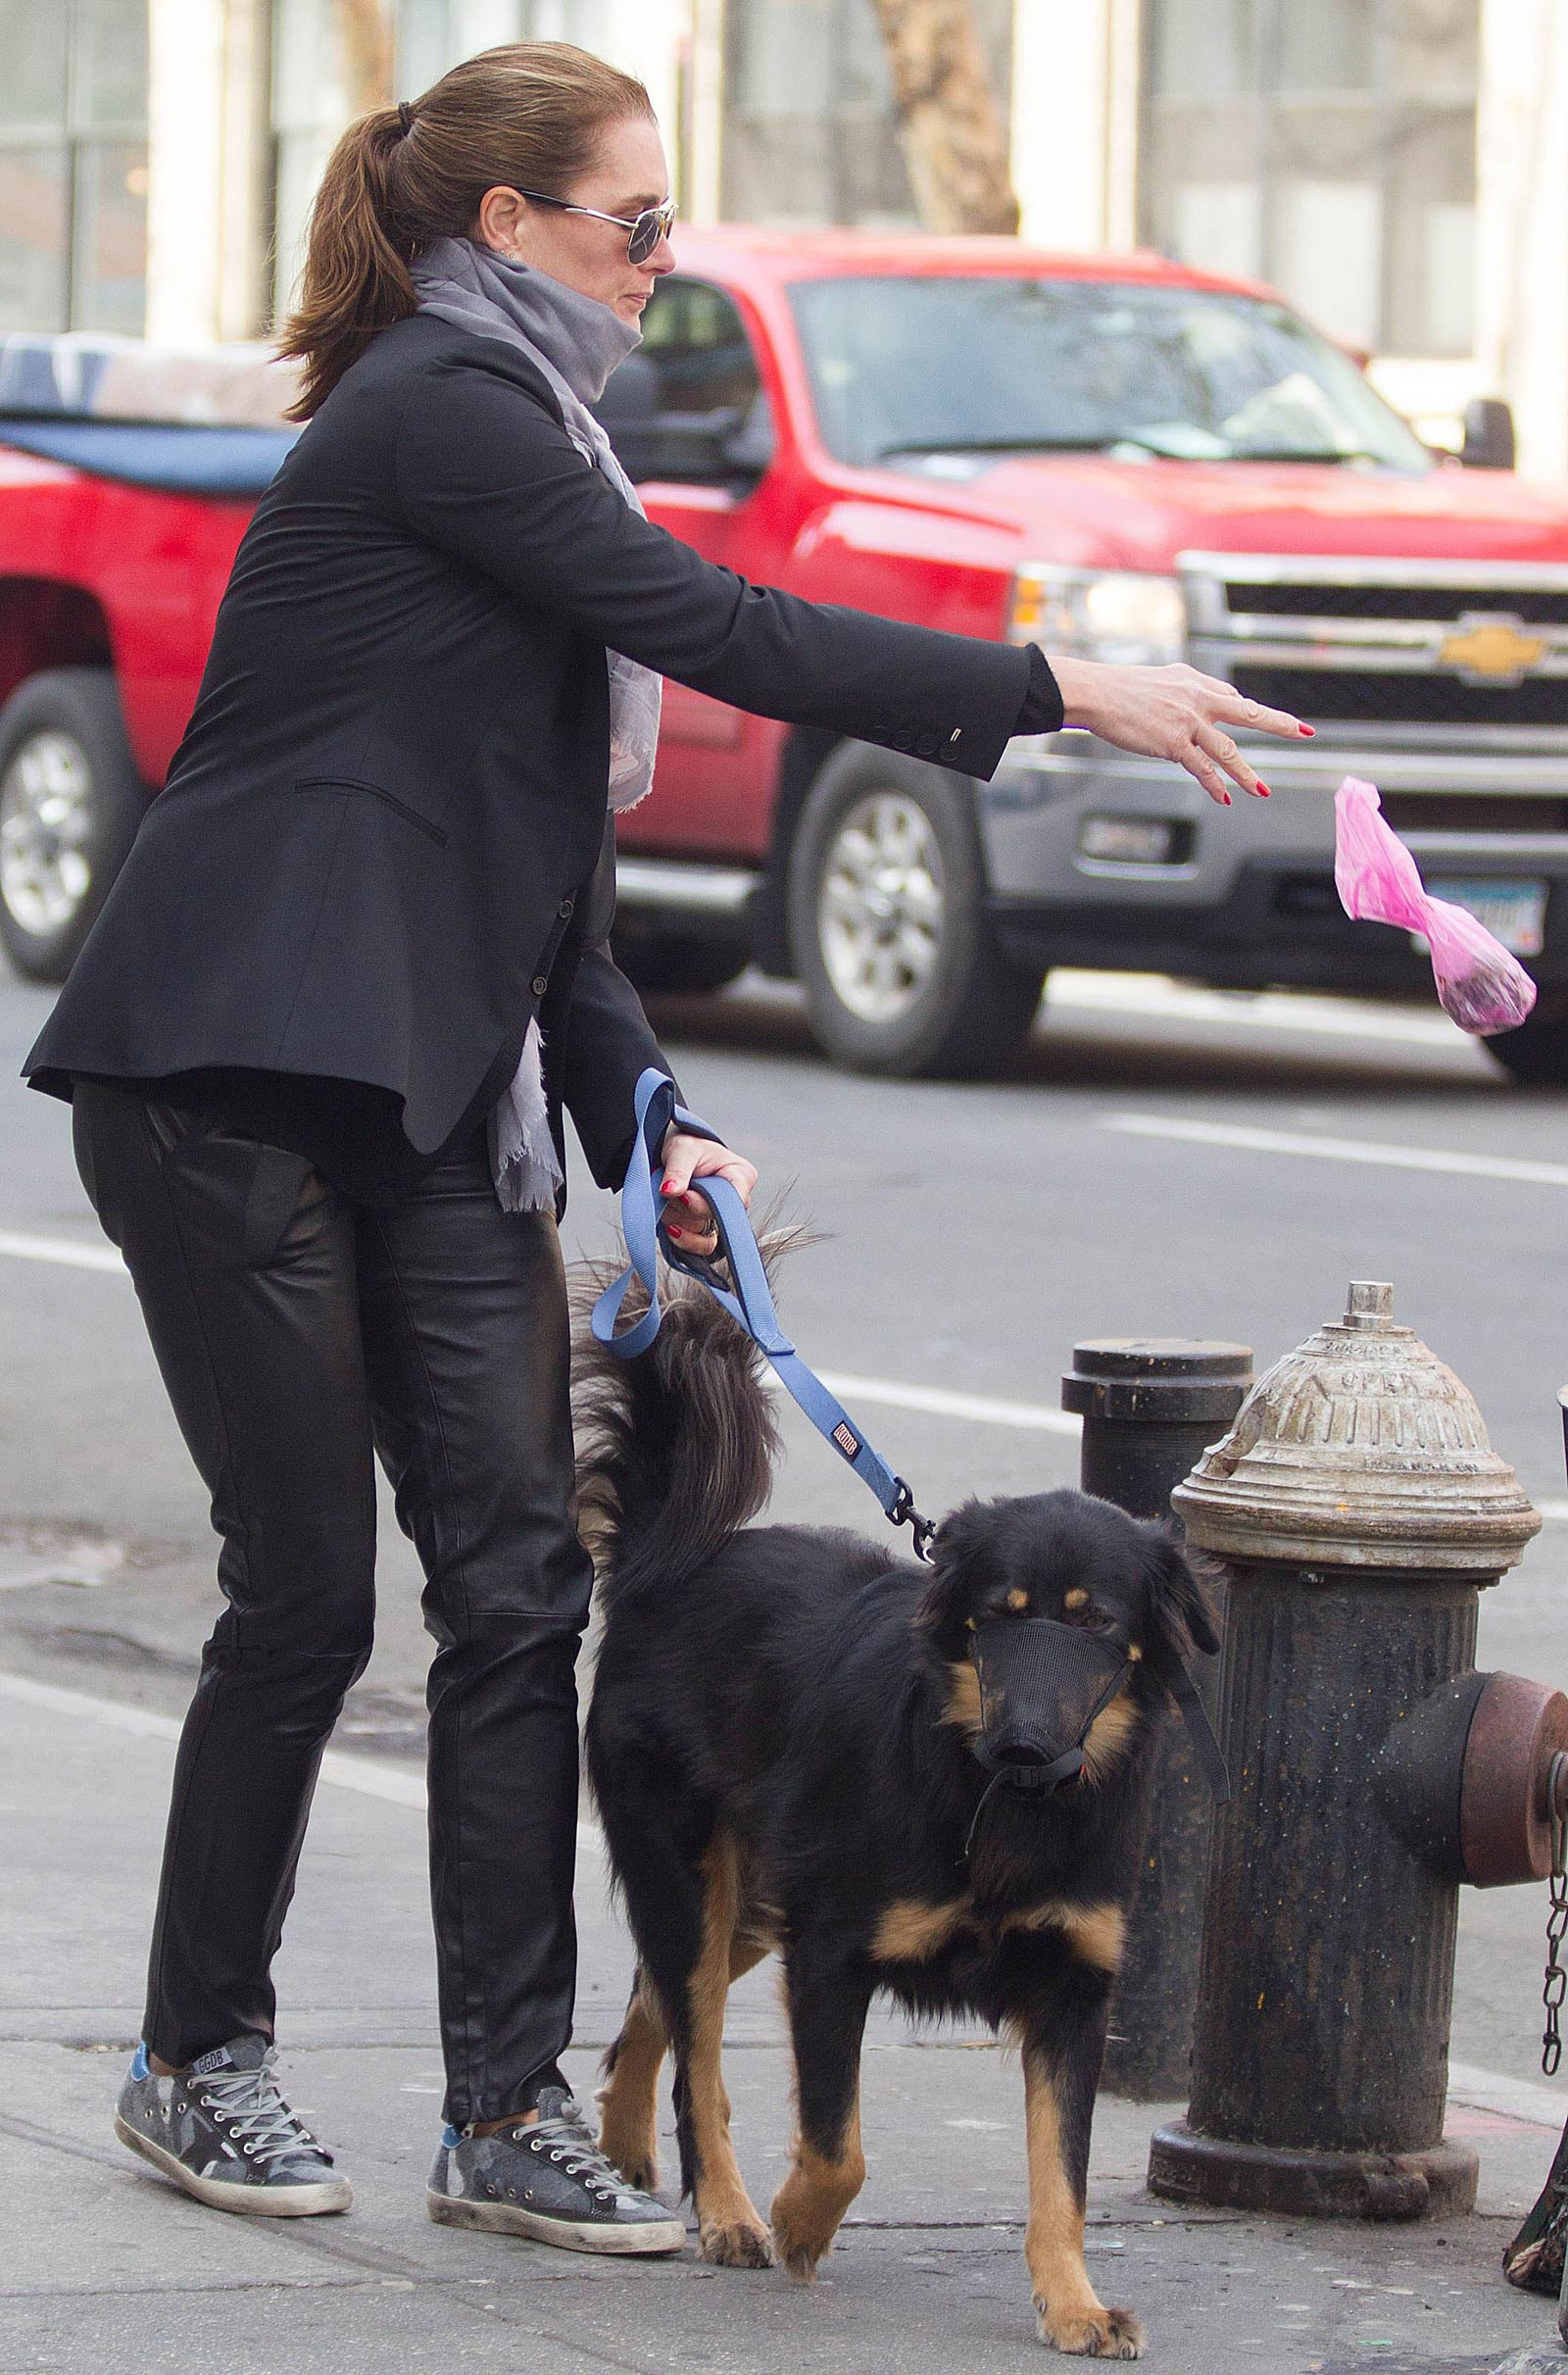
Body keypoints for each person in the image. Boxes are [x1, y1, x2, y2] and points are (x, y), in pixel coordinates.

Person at [22, 41, 1307, 2251]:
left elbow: (542, 888)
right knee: (307, 1599)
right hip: (228, 1073)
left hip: (432, 1088)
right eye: (639, 221)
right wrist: (1049, 684)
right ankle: (191, 2058)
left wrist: (655, 1119)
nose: (664, 256)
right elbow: (719, 627)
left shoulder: (541, 444)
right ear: (505, 230)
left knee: (524, 1592)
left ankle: (502, 2106)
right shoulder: (437, 409)